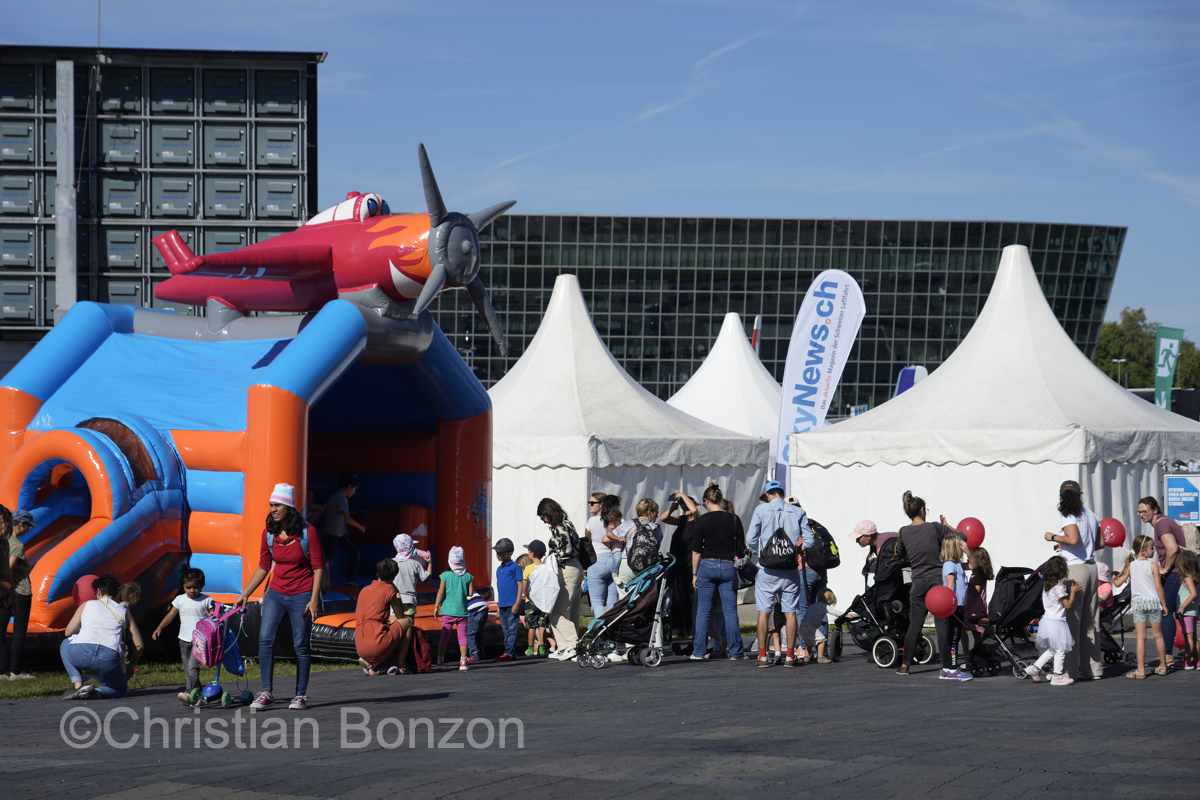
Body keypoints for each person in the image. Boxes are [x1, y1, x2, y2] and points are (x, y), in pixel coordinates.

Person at [237, 482, 325, 711]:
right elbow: (263, 566)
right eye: (271, 505)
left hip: (302, 594)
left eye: (278, 505)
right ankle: (266, 693)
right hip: (275, 593)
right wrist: (245, 594)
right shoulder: (269, 533)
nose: (273, 509)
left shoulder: (307, 532)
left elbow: (318, 567)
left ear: (289, 507)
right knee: (265, 640)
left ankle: (300, 695)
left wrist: (313, 599)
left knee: (300, 645)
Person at [895, 490, 967, 678]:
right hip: (938, 582)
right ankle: (947, 666)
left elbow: (899, 555)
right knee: (942, 625)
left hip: (918, 582)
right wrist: (947, 526)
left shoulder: (903, 531)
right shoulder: (936, 527)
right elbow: (963, 537)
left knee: (914, 625)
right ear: (922, 509)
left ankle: (905, 665)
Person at [746, 480, 813, 668]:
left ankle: (762, 656)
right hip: (790, 570)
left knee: (764, 612)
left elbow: (750, 539)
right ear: (783, 493)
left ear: (768, 494)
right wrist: (797, 550)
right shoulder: (798, 512)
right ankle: (790, 656)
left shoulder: (761, 510)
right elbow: (810, 540)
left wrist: (760, 553)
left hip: (767, 570)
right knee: (790, 612)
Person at [1043, 480, 1103, 681]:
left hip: (1075, 569)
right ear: (1080, 494)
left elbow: (1073, 539)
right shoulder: (1091, 514)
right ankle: (1093, 670)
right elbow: (1100, 543)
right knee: (1091, 621)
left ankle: (1068, 671)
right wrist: (1068, 545)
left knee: (1070, 622)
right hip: (1091, 567)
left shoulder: (1068, 514)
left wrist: (1053, 537)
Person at [60, 573, 144, 699]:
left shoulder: (86, 605)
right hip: (108, 657)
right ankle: (96, 693)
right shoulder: (124, 612)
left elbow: (68, 632)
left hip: (82, 652)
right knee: (120, 688)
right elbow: (139, 645)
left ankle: (78, 685)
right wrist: (131, 664)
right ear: (116, 593)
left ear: (98, 591)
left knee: (65, 644)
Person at [688, 484, 746, 661]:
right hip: (728, 566)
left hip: (707, 565)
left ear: (706, 501)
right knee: (731, 611)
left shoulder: (701, 521)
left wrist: (694, 574)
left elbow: (696, 551)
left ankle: (698, 652)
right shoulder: (734, 519)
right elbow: (741, 548)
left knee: (703, 611)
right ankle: (736, 652)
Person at [1138, 496, 1186, 670]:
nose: (1142, 515)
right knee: (1180, 612)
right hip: (1181, 570)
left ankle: (1167, 655)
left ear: (1155, 510)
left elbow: (1172, 549)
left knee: (1165, 610)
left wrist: (1165, 569)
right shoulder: (1165, 521)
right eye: (1139, 512)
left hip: (1177, 571)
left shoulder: (1161, 524)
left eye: (1145, 511)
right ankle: (1180, 654)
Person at [152, 567, 213, 702]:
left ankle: (189, 692)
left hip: (200, 641)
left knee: (192, 666)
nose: (192, 590)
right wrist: (159, 627)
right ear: (183, 586)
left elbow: (214, 617)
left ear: (201, 585)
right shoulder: (180, 599)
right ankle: (197, 691)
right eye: (188, 587)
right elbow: (170, 615)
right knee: (188, 668)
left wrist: (212, 616)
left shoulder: (207, 600)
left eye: (195, 587)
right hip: (184, 640)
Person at [1113, 535, 1169, 679]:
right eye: (1152, 548)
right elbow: (1159, 587)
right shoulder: (1154, 566)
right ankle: (1163, 666)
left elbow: (1118, 583)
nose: (1154, 550)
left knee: (1140, 637)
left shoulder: (1132, 565)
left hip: (1138, 604)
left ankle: (1140, 670)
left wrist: (1113, 576)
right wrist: (1163, 604)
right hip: (1153, 602)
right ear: (1143, 551)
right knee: (1158, 635)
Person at [535, 498, 584, 661]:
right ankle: (564, 647)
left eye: (543, 516)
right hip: (576, 567)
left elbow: (566, 550)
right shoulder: (568, 523)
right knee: (571, 611)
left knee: (557, 610)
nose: (543, 520)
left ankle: (572, 644)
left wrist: (551, 559)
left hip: (566, 569)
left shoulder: (559, 527)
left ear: (548, 513)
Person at [1025, 555, 1080, 685]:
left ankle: (1034, 668)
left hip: (1047, 622)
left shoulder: (1046, 587)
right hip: (1057, 623)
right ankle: (1057, 676)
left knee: (1052, 649)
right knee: (1060, 650)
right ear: (1060, 572)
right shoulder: (1058, 588)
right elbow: (1068, 605)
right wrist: (1073, 592)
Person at [356, 559, 411, 675]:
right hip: (377, 643)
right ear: (394, 576)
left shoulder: (363, 590)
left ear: (377, 573)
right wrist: (397, 593)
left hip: (360, 645)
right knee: (408, 622)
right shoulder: (389, 589)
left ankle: (369, 664)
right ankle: (402, 665)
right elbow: (400, 616)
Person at [1, 507, 33, 680]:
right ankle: (15, 670)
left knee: (2, 632)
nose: (29, 529)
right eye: (28, 526)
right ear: (20, 524)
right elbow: (9, 571)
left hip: (7, 591)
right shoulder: (16, 545)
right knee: (19, 632)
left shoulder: (5, 542)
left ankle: (4, 670)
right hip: (18, 591)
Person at [433, 546, 473, 671]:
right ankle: (463, 662)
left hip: (447, 611)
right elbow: (470, 593)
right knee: (463, 637)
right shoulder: (468, 576)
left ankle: (440, 661)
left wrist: (436, 606)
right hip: (462, 611)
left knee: (444, 636)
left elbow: (441, 591)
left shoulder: (445, 575)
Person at [321, 473, 365, 588]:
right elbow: (347, 518)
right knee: (326, 560)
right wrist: (360, 526)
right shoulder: (342, 498)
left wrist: (309, 523)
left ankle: (350, 581)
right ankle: (320, 584)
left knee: (354, 552)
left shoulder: (334, 497)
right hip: (332, 536)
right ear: (350, 487)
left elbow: (321, 510)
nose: (354, 492)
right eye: (354, 489)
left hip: (336, 536)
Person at [940, 537, 968, 678]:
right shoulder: (949, 565)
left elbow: (974, 565)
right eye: (960, 547)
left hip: (958, 605)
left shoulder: (957, 564)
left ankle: (946, 669)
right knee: (953, 638)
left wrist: (968, 552)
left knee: (952, 637)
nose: (961, 549)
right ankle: (952, 669)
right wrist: (950, 606)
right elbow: (950, 586)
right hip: (955, 606)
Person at [492, 538, 522, 662]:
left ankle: (508, 653)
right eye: (497, 552)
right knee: (506, 630)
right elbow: (500, 588)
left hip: (512, 604)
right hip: (503, 604)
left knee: (512, 629)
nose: (497, 555)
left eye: (500, 552)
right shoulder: (499, 569)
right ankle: (512, 653)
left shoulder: (515, 567)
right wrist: (498, 604)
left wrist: (517, 603)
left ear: (509, 553)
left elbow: (520, 585)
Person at [965, 547, 994, 660]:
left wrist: (965, 583)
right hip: (974, 606)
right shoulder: (976, 574)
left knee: (975, 632)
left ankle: (975, 657)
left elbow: (976, 591)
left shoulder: (978, 575)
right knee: (975, 633)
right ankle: (975, 655)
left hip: (975, 608)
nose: (968, 560)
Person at [520, 544, 549, 656]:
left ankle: (531, 649)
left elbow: (524, 586)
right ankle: (542, 648)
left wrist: (526, 594)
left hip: (531, 601)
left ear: (532, 554)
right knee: (542, 626)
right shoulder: (545, 567)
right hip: (543, 601)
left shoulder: (528, 568)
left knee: (531, 627)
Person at [391, 534, 430, 617]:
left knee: (394, 625)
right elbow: (427, 580)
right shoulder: (416, 564)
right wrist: (430, 563)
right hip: (409, 601)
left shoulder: (390, 563)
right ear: (410, 548)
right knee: (408, 624)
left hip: (394, 600)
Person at [799, 585, 838, 664]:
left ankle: (807, 657)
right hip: (810, 627)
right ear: (828, 598)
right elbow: (834, 612)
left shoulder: (813, 605)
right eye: (831, 601)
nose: (830, 604)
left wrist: (821, 622)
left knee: (808, 642)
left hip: (802, 627)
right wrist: (845, 615)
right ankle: (820, 657)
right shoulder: (824, 606)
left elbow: (811, 617)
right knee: (822, 640)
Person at [1174, 549, 1199, 670]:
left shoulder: (1188, 579)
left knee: (1188, 638)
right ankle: (1197, 661)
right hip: (1193, 612)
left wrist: (1182, 607)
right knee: (1194, 638)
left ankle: (1187, 661)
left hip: (1187, 612)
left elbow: (1193, 594)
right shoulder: (1195, 579)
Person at [466, 590, 489, 662]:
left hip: (475, 610)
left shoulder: (458, 592)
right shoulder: (469, 589)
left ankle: (474, 655)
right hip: (484, 608)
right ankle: (481, 654)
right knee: (479, 634)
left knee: (470, 634)